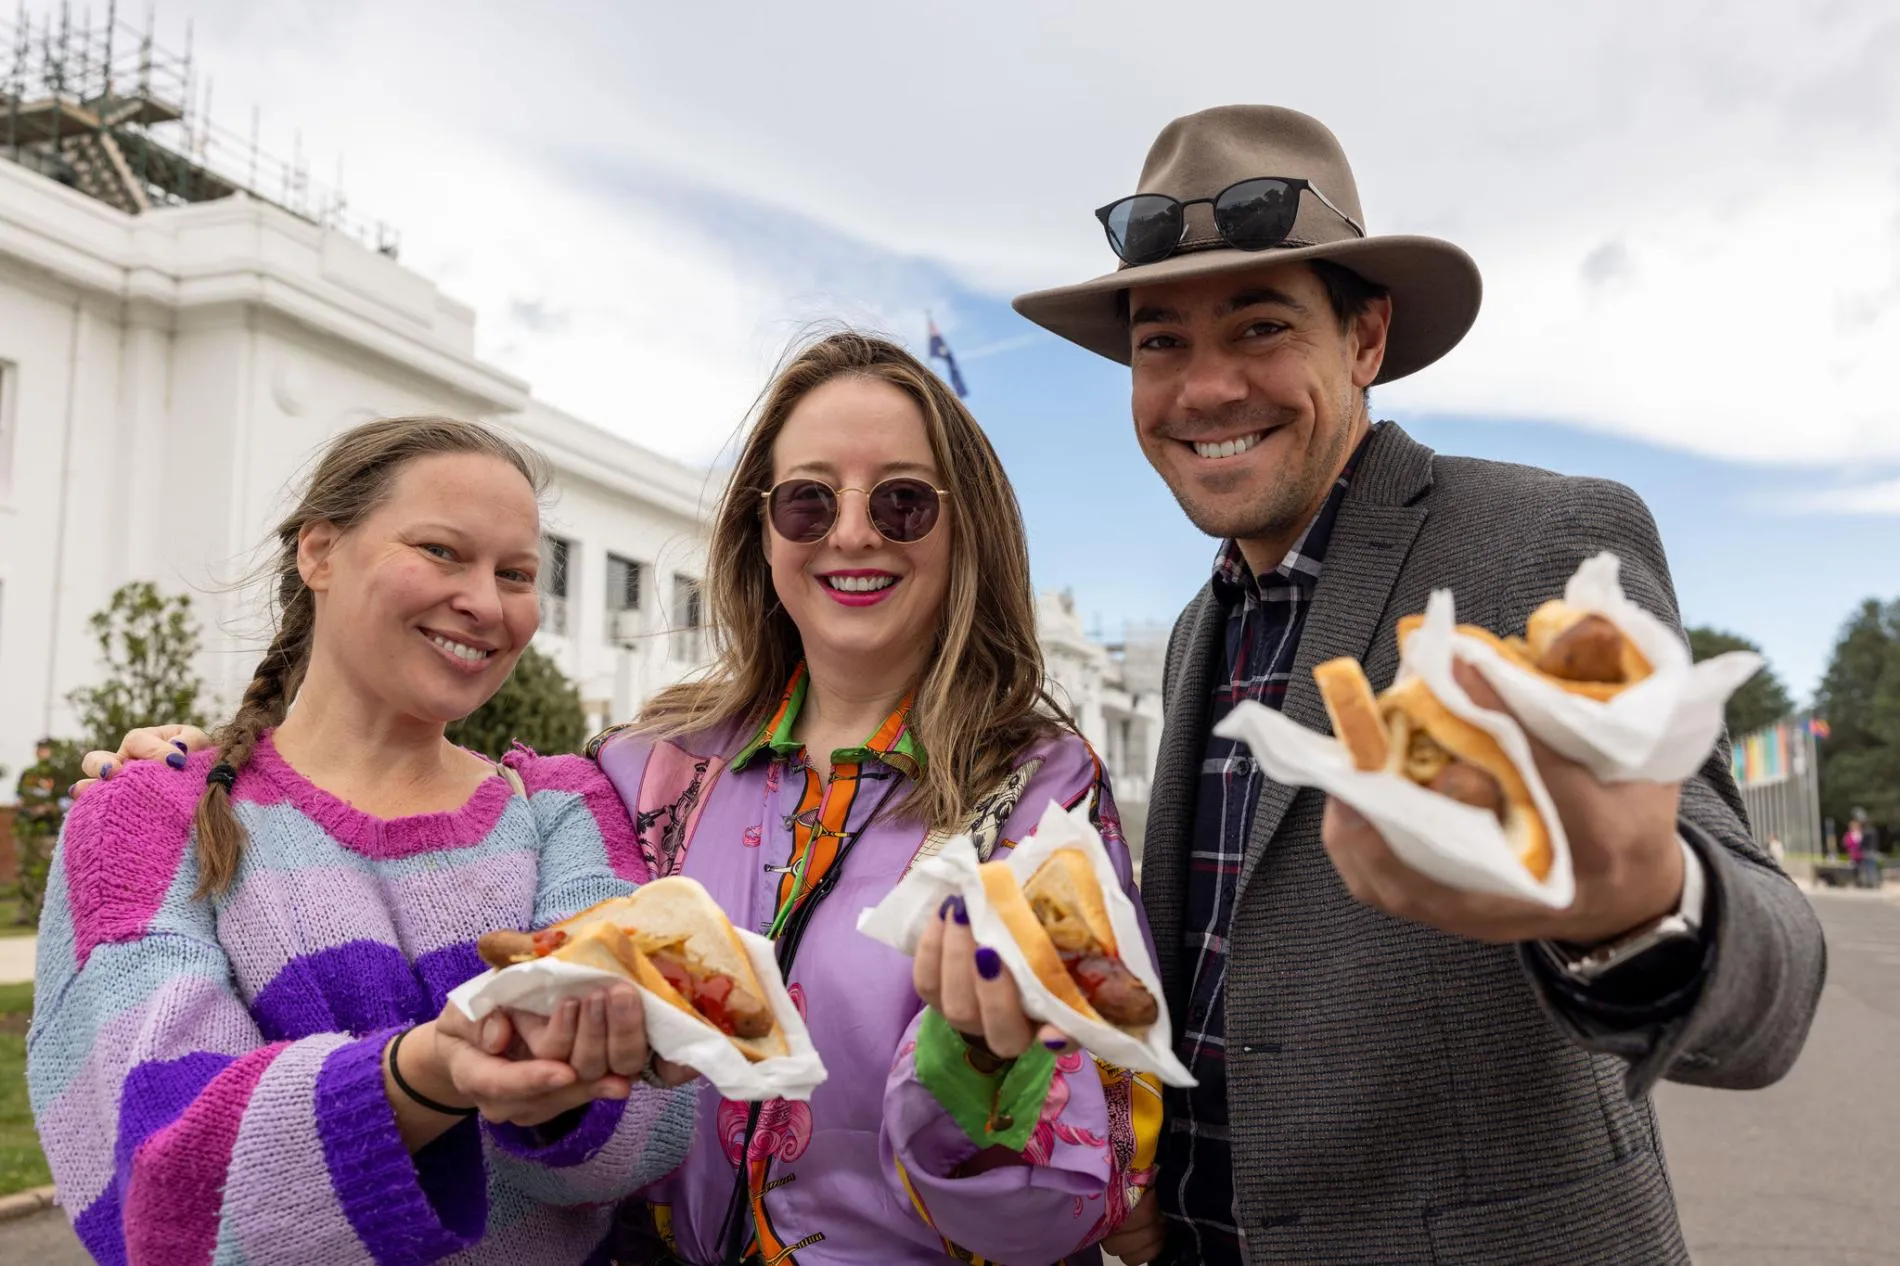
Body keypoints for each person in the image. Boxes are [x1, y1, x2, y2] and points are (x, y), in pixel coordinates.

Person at [84, 336, 1166, 1266]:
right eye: (806, 499)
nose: (850, 533)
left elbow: (1075, 1207)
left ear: (961, 524)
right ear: (761, 529)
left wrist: (979, 1076)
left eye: (900, 500)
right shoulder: (644, 770)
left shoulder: (1036, 792)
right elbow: (414, 779)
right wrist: (202, 764)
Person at [1012, 105, 1827, 1263]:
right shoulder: (1203, 627)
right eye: (1160, 343)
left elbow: (1770, 981)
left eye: (1258, 326)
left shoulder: (1541, 542)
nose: (1202, 390)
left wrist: (1640, 901)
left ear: (1365, 340)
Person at [33, 417, 694, 1264]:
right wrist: (424, 1075)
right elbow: (174, 1179)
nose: (487, 603)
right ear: (319, 553)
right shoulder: (147, 817)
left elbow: (646, 1133)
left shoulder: (563, 807)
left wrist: (576, 1077)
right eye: (443, 551)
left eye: (517, 573)